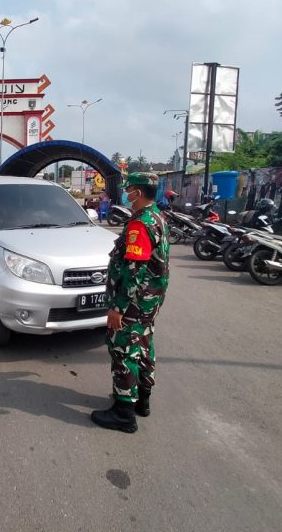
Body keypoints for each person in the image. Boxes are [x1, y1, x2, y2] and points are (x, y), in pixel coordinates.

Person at [92, 172, 170, 434]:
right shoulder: (157, 216)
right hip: (150, 300)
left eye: (129, 189)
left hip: (134, 301)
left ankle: (124, 412)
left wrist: (119, 307)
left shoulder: (140, 225)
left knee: (124, 350)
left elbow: (134, 270)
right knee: (144, 345)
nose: (126, 193)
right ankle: (142, 400)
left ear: (138, 192)